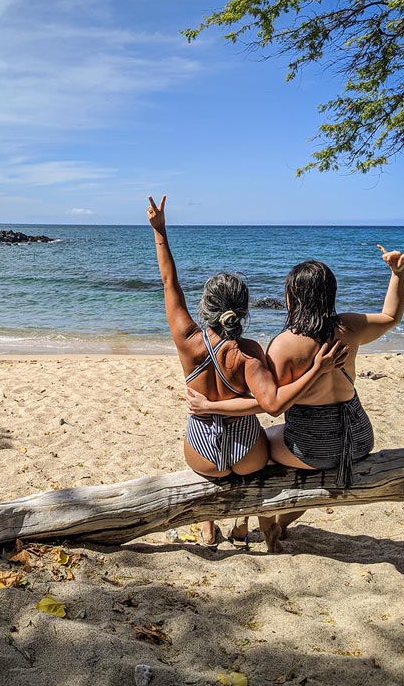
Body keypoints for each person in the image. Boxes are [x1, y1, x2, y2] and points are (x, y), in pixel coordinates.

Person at [147, 195, 348, 546]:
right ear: (243, 310)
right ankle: (249, 521)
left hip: (202, 451)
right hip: (247, 454)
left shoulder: (187, 340)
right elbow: (272, 404)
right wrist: (315, 369)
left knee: (209, 472)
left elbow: (169, 283)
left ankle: (208, 524)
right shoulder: (250, 352)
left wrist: (160, 231)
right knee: (269, 456)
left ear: (205, 307)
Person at [187, 245, 404, 551]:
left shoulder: (283, 346)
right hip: (357, 438)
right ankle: (278, 523)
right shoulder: (350, 327)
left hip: (312, 446)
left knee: (258, 448)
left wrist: (212, 407)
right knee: (272, 452)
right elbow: (391, 316)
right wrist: (396, 274)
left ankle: (248, 519)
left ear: (292, 297)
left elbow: (270, 404)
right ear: (330, 294)